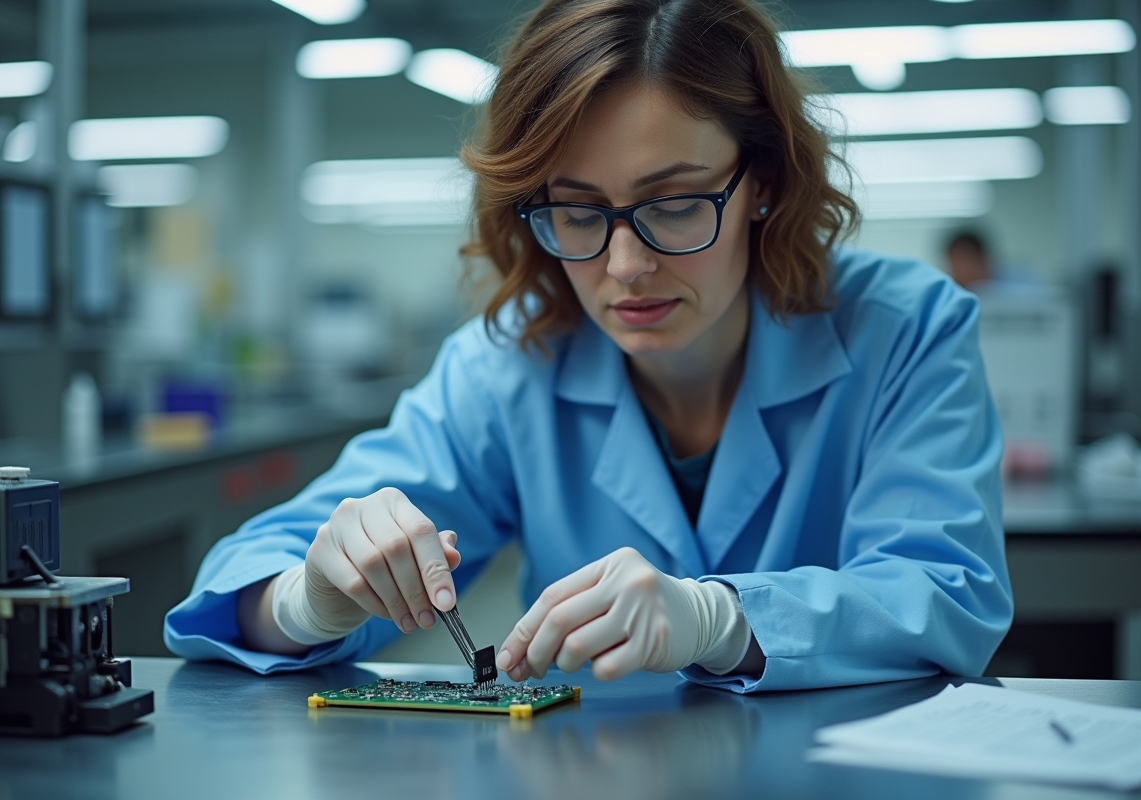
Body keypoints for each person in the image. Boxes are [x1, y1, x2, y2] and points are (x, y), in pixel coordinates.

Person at [165, 0, 1013, 693]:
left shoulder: (907, 330)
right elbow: (246, 577)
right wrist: (312, 599)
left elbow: (944, 594)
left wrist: (718, 619)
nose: (625, 265)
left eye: (675, 202)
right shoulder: (507, 365)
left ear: (763, 183)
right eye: (576, 210)